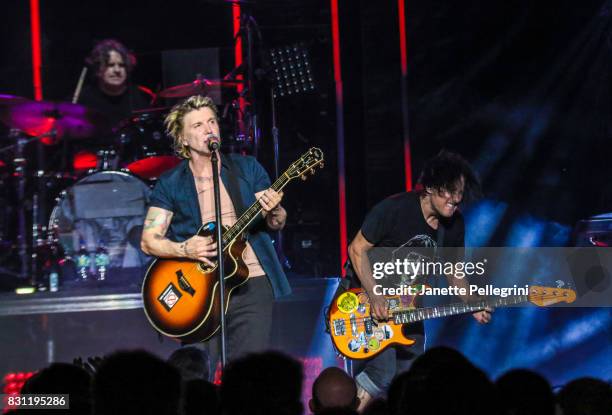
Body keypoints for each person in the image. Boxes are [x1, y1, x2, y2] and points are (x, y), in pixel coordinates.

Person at [140, 95, 290, 366]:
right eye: (197, 125)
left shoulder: (247, 168)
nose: (208, 128)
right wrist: (185, 248)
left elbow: (275, 223)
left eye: (211, 121)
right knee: (197, 372)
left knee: (247, 377)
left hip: (251, 282)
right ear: (183, 139)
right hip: (198, 290)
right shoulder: (171, 183)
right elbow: (149, 241)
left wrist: (276, 211)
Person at [346, 150, 492, 409]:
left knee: (413, 377)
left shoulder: (454, 225)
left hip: (408, 306)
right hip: (364, 301)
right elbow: (357, 249)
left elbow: (454, 272)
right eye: (450, 191)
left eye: (460, 193)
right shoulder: (394, 209)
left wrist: (473, 301)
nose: (456, 199)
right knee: (382, 372)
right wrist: (374, 295)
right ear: (433, 187)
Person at [78, 38, 152, 126]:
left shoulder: (140, 96)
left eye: (121, 65)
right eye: (110, 65)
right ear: (98, 70)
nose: (117, 70)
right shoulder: (84, 99)